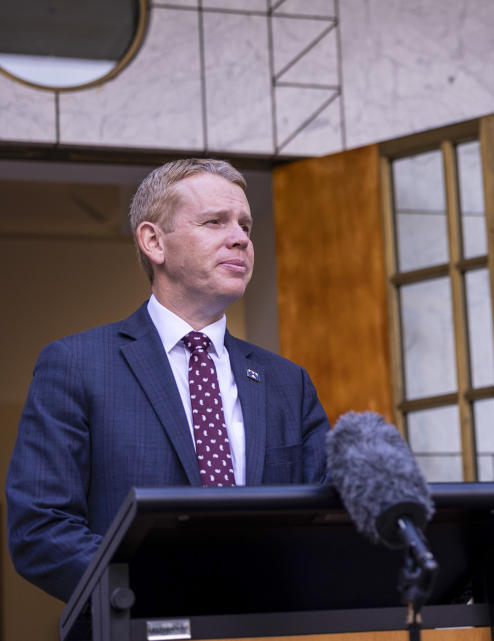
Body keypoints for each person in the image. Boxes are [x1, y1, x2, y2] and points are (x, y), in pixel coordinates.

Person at [6, 158, 329, 603]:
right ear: (154, 241)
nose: (240, 238)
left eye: (245, 226)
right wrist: (170, 587)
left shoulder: (287, 383)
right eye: (215, 222)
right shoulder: (77, 364)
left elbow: (324, 521)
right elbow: (40, 529)